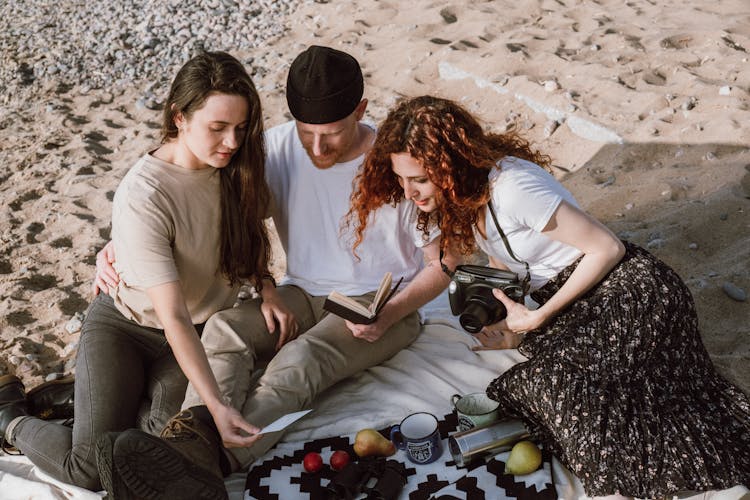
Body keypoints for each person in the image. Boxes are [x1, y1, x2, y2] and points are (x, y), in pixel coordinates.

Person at [94, 47, 455, 497]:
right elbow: (225, 210)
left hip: (379, 302)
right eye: (308, 134)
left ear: (360, 110)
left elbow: (442, 263)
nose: (318, 148)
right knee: (226, 329)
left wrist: (390, 311)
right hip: (303, 290)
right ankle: (189, 443)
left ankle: (215, 460)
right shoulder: (277, 148)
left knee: (301, 360)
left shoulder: (400, 162)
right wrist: (125, 242)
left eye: (332, 134)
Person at [348, 95, 750, 497]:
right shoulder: (465, 196)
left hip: (628, 293)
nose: (409, 191)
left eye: (418, 178)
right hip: (577, 303)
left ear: (449, 163)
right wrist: (510, 323)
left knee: (561, 391)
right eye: (402, 179)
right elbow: (502, 258)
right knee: (546, 391)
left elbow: (608, 248)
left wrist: (539, 318)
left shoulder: (514, 186)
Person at [0, 51, 275, 493]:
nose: (231, 141)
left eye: (240, 129)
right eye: (217, 128)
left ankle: (88, 397)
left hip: (195, 333)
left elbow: (250, 242)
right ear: (179, 118)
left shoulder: (239, 169)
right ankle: (10, 417)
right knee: (89, 468)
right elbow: (173, 317)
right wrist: (217, 405)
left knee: (163, 450)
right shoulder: (144, 193)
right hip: (127, 327)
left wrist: (269, 286)